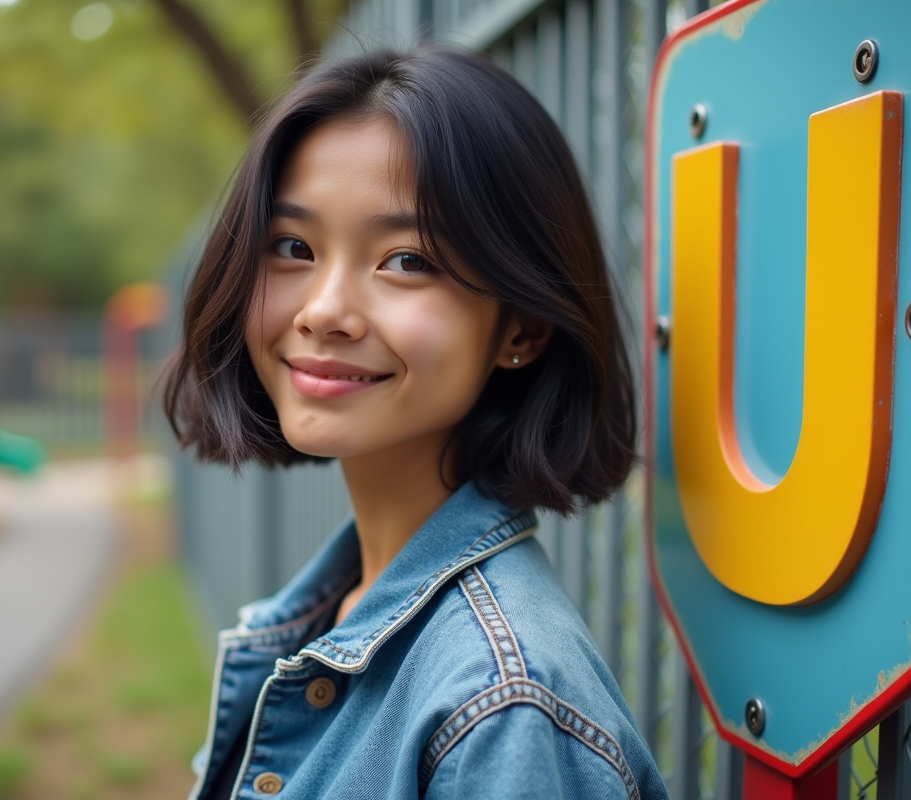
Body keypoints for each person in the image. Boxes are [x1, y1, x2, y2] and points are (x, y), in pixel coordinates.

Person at [163, 45, 668, 800]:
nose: (324, 310)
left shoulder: (505, 710)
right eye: (294, 247)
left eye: (405, 260)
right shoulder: (338, 606)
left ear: (521, 328)